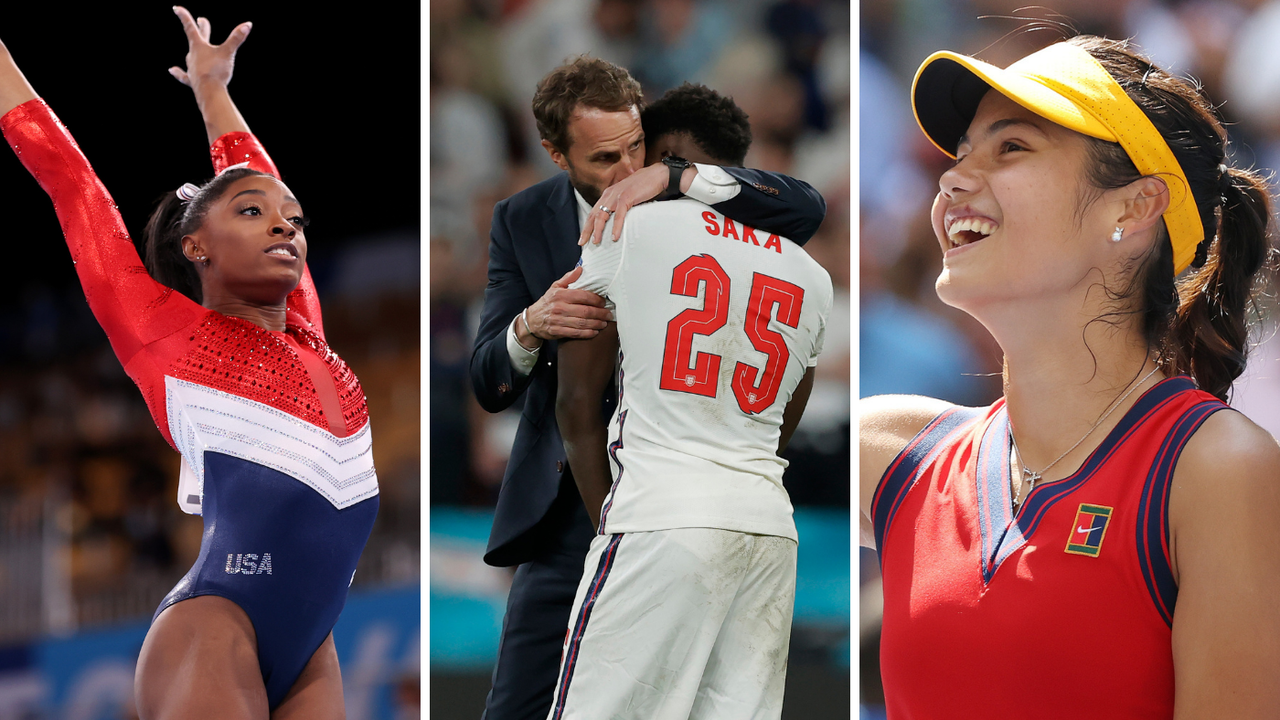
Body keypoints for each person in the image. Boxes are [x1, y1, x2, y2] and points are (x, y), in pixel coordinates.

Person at [859, 35, 1280, 718]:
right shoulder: (890, 451)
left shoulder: (1218, 470)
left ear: (1135, 208)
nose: (952, 178)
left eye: (1011, 148)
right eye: (961, 152)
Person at [0, 9, 378, 718]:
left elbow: (258, 177)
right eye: (252, 214)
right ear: (196, 246)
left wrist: (213, 92)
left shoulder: (308, 331)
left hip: (311, 648)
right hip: (215, 625)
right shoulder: (163, 333)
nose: (284, 226)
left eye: (293, 218)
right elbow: (71, 182)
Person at [471, 58, 827, 720]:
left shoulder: (658, 214)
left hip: (651, 506)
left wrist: (675, 176)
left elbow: (806, 203)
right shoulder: (523, 220)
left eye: (640, 149)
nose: (627, 170)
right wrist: (529, 327)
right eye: (606, 156)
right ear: (555, 153)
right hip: (585, 512)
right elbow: (488, 379)